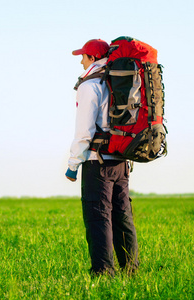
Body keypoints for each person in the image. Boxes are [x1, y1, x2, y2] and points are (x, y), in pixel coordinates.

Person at [65, 39, 139, 276]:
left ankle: (104, 272)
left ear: (94, 58)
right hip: (121, 160)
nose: (81, 60)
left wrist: (73, 164)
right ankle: (131, 270)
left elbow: (84, 131)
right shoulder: (118, 80)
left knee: (98, 218)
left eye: (84, 56)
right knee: (122, 215)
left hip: (97, 162)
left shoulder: (90, 85)